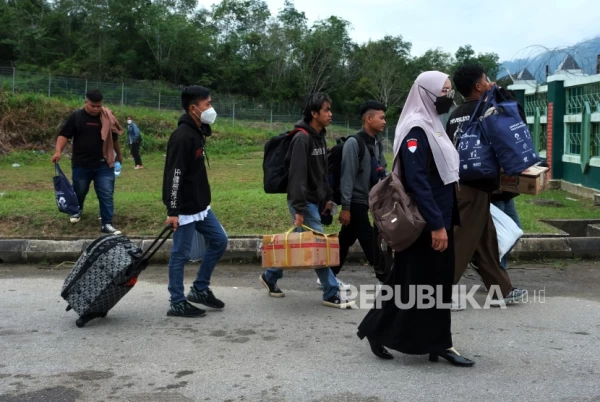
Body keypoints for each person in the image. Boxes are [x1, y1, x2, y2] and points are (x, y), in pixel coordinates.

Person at [357, 71, 474, 367]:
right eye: (444, 92)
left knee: (415, 282)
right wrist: (437, 225)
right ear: (427, 94)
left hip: (439, 216)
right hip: (426, 221)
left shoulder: (433, 126)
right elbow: (418, 182)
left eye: (449, 90)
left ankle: (403, 335)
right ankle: (436, 343)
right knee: (425, 283)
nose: (450, 97)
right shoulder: (416, 130)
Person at [259, 93, 355, 309]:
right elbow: (297, 176)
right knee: (319, 243)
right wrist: (299, 208)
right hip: (302, 200)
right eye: (326, 110)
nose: (331, 114)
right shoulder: (302, 138)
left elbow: (322, 172)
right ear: (314, 113)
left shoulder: (319, 136)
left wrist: (328, 197)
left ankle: (270, 276)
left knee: (301, 240)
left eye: (330, 109)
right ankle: (331, 292)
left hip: (315, 199)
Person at [446, 63, 527, 308]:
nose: (490, 81)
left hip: (460, 184)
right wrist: (502, 93)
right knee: (461, 242)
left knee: (485, 241)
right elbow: (517, 121)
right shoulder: (488, 109)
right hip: (475, 186)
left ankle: (502, 290)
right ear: (479, 85)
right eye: (487, 78)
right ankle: (439, 293)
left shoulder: (455, 114)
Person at [162, 85, 229, 318]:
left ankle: (200, 289)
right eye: (207, 104)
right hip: (185, 208)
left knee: (220, 240)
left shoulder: (197, 131)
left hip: (201, 205)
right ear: (193, 108)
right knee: (180, 255)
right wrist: (173, 210)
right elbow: (174, 174)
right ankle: (177, 302)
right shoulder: (182, 137)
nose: (211, 108)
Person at [328, 101, 388, 289]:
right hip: (354, 200)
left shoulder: (377, 143)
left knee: (345, 239)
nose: (385, 121)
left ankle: (328, 275)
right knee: (369, 239)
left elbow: (381, 170)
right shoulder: (354, 143)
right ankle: (386, 279)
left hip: (366, 199)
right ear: (369, 119)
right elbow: (347, 176)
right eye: (381, 117)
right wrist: (345, 207)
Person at [51, 89, 124, 235]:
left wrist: (119, 156)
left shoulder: (107, 117)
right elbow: (64, 135)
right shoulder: (76, 117)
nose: (96, 109)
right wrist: (58, 150)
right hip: (81, 164)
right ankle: (77, 210)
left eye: (98, 106)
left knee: (106, 193)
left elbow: (114, 138)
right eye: (92, 106)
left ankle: (107, 223)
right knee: (79, 190)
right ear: (86, 102)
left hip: (104, 164)